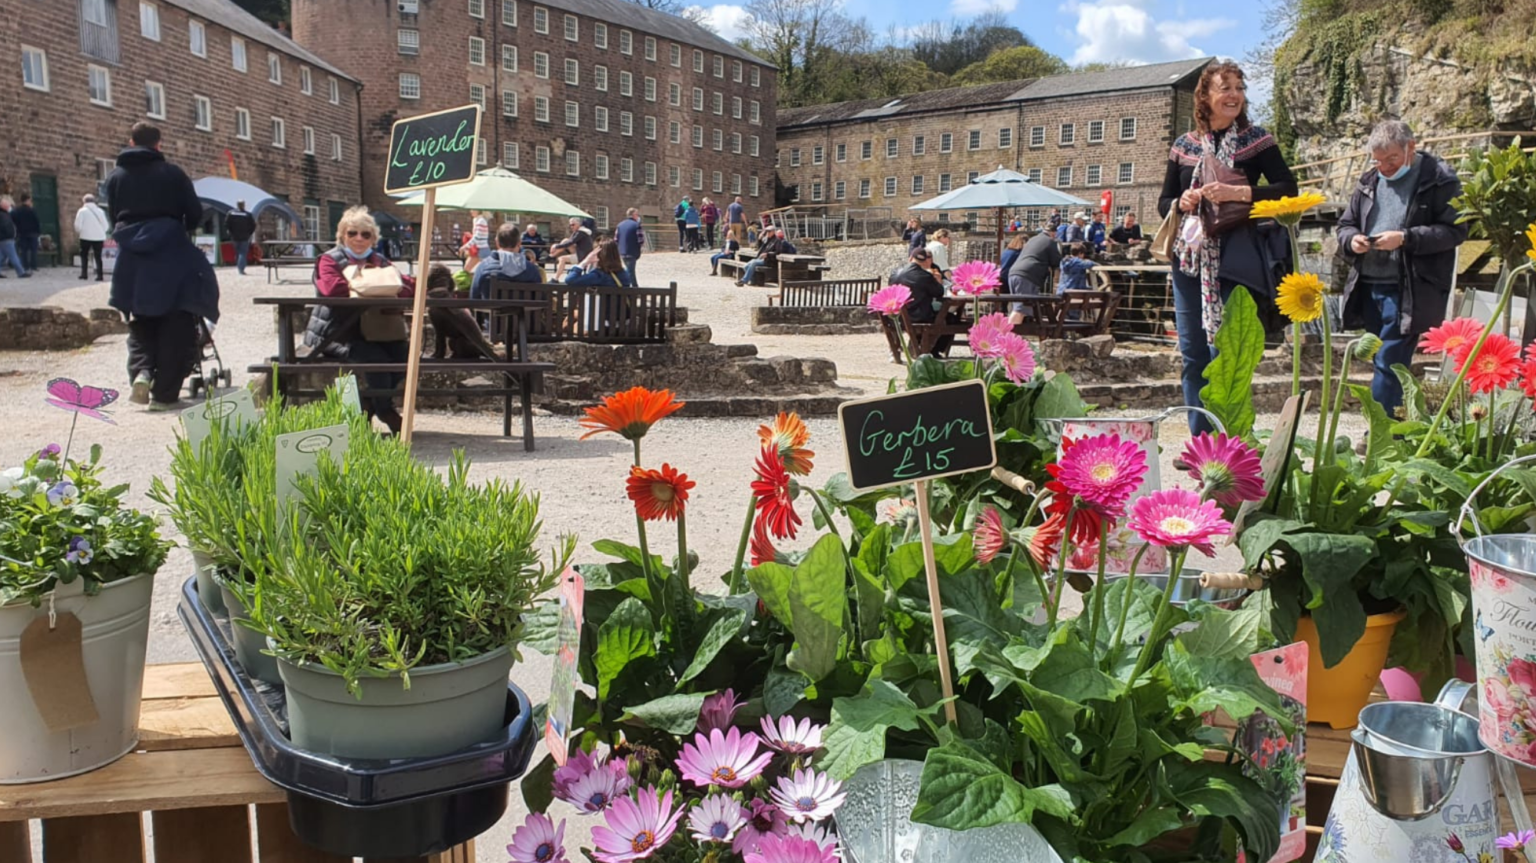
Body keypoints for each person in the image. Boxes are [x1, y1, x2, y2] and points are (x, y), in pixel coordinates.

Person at [1159, 60, 1296, 434]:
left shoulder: (1257, 140)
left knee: (1230, 351)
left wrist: (1240, 192)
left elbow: (1288, 188)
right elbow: (1163, 202)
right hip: (1190, 261)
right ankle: (1199, 440)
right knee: (1193, 353)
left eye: (1239, 87)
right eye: (1225, 87)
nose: (1234, 94)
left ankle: (1231, 437)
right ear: (1205, 95)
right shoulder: (1183, 146)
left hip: (1237, 257)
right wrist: (1181, 202)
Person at [1338, 119, 1467, 418]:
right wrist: (1352, 240)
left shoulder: (1439, 178)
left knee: (1389, 358)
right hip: (1367, 283)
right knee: (1382, 358)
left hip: (1409, 286)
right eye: (1378, 160)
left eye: (1392, 159)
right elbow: (1345, 224)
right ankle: (1399, 424)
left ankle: (1380, 431)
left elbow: (1455, 231)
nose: (1384, 167)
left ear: (1411, 147)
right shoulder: (1369, 179)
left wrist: (1406, 239)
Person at [105, 122, 218, 410]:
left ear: (131, 142)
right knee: (176, 321)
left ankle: (142, 371)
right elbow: (193, 214)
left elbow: (114, 217)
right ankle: (165, 395)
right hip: (170, 251)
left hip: (133, 256)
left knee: (141, 320)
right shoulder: (172, 174)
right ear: (159, 144)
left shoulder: (116, 176)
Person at [303, 206, 416, 434]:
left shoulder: (380, 260)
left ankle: (368, 405)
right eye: (352, 233)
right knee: (377, 361)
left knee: (407, 356)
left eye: (365, 234)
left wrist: (364, 285)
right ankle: (385, 410)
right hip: (337, 333)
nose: (358, 239)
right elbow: (332, 289)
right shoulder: (328, 260)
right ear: (342, 235)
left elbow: (407, 287)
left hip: (378, 331)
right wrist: (378, 284)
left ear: (373, 238)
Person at [891, 247, 954, 356]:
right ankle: (930, 351)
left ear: (910, 258)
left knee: (942, 317)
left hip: (896, 316)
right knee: (950, 319)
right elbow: (939, 292)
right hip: (919, 316)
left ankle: (917, 346)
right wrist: (938, 281)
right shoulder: (925, 276)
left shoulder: (895, 273)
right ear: (925, 261)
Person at [471, 222, 541, 300]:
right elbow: (541, 299)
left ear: (497, 242)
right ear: (519, 243)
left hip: (492, 311)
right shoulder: (532, 270)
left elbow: (474, 297)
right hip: (523, 312)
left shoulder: (484, 267)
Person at [1007, 228, 1063, 324]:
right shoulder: (1050, 242)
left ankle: (1013, 336)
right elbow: (1056, 261)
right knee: (1020, 310)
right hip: (1028, 276)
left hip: (1014, 273)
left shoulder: (1032, 240)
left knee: (1018, 307)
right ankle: (1006, 337)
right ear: (1053, 233)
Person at [74, 194, 110, 281]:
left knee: (84, 255)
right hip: (99, 237)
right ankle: (100, 275)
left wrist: (81, 232)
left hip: (85, 237)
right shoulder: (100, 211)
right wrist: (101, 232)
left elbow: (78, 225)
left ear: (84, 201)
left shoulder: (82, 211)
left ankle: (84, 274)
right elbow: (106, 226)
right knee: (98, 256)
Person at [615, 208, 645, 285]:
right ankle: (632, 288)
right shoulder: (636, 225)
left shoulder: (620, 225)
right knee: (630, 271)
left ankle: (632, 287)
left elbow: (616, 239)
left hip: (622, 251)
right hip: (632, 251)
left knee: (629, 270)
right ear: (634, 215)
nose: (638, 216)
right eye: (637, 214)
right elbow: (641, 240)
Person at [226, 200, 256, 275]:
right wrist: (249, 233)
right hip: (244, 236)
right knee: (243, 253)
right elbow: (253, 225)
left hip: (234, 236)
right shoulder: (247, 215)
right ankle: (241, 269)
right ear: (243, 205)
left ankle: (239, 266)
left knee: (237, 252)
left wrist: (230, 232)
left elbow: (227, 224)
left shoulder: (231, 213)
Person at [0, 198, 27, 279]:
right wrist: (10, 234)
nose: (10, 207)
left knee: (2, 256)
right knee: (13, 256)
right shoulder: (3, 215)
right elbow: (6, 226)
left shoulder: (5, 214)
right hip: (6, 238)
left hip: (4, 238)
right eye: (8, 205)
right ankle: (21, 272)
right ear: (4, 206)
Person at [13, 194, 40, 274]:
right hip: (32, 233)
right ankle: (33, 266)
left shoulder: (17, 211)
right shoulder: (32, 210)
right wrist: (38, 232)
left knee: (23, 250)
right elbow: (36, 221)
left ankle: (25, 266)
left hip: (22, 233)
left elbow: (14, 220)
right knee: (33, 250)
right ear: (27, 200)